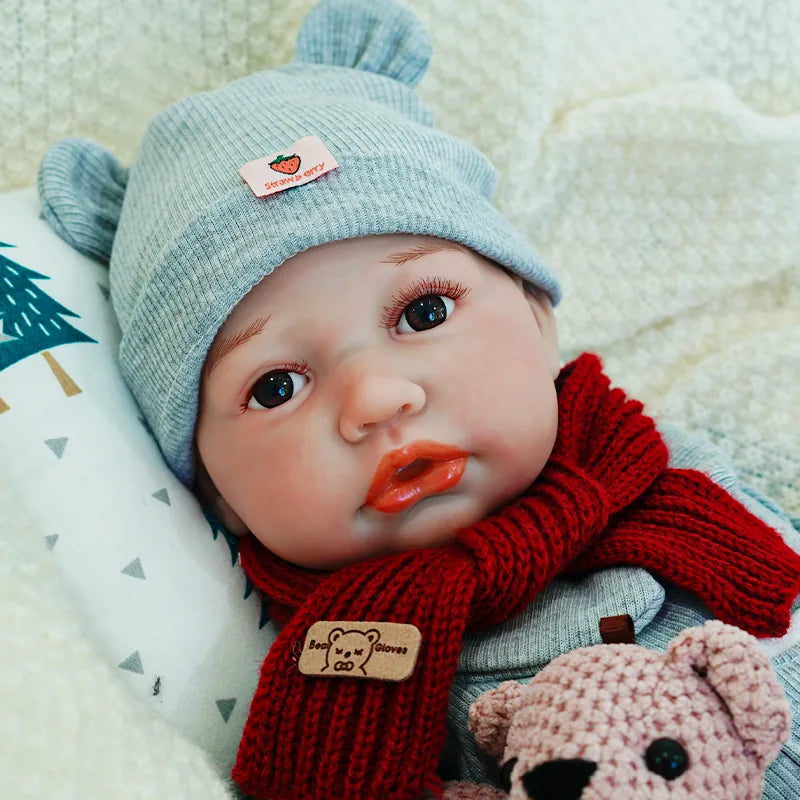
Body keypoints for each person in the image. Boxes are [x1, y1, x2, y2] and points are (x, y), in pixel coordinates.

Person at [36, 1, 800, 798]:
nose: (375, 398)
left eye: (423, 312)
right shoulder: (341, 674)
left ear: (540, 322)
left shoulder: (660, 475)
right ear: (220, 495)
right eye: (276, 386)